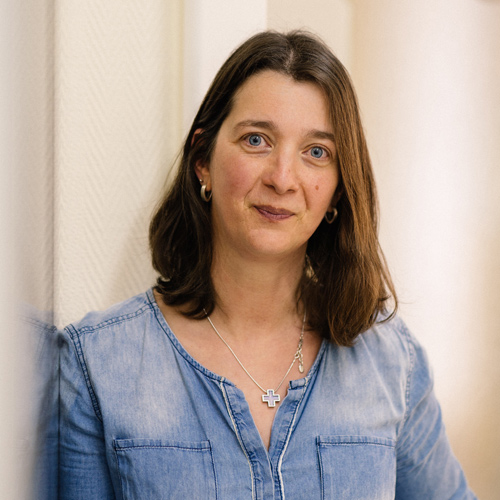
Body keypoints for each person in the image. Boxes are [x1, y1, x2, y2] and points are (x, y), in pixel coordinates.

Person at [59, 30, 476, 499]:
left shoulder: (393, 363)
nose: (282, 178)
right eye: (256, 140)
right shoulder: (96, 365)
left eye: (316, 152)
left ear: (338, 188)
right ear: (202, 160)